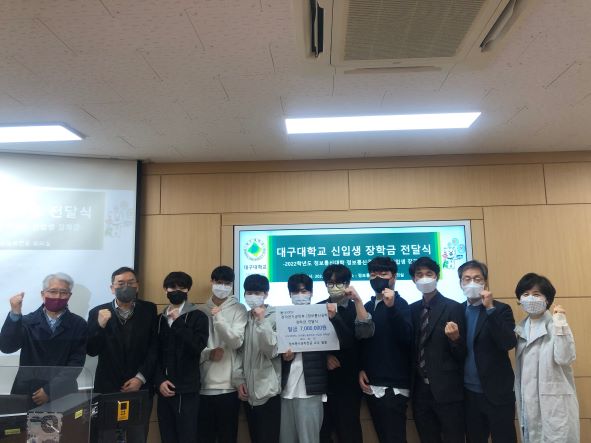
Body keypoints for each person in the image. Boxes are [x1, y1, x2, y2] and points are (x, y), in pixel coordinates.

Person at [87, 266, 158, 443]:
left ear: (137, 286)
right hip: (108, 387)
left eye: (130, 282)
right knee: (106, 436)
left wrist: (140, 378)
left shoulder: (149, 310)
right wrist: (100, 326)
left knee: (137, 436)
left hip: (140, 386)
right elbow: (91, 350)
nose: (126, 286)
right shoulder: (98, 312)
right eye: (120, 283)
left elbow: (154, 348)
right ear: (112, 288)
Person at [0, 272, 87, 408]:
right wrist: (15, 313)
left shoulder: (78, 324)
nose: (57, 296)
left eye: (63, 292)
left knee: (63, 422)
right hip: (28, 391)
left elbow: (76, 363)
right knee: (25, 422)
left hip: (62, 392)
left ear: (69, 296)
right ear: (43, 294)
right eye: (52, 291)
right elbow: (7, 347)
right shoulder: (27, 321)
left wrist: (49, 390)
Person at [514, 273, 579, 443]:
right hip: (529, 405)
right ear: (520, 299)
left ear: (547, 299)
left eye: (536, 294)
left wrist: (561, 323)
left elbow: (565, 358)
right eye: (525, 294)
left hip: (555, 406)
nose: (530, 298)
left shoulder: (557, 324)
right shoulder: (520, 329)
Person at [458, 260, 517, 443]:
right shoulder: (457, 311)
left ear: (485, 283)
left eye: (477, 279)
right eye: (467, 279)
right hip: (468, 393)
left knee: (504, 438)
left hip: (497, 392)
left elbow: (508, 343)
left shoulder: (501, 309)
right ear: (460, 283)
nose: (472, 283)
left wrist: (490, 309)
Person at [409, 256, 466, 443]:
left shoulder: (454, 307)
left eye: (429, 274)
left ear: (437, 277)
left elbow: (463, 354)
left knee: (454, 438)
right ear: (414, 280)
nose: (424, 278)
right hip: (420, 390)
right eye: (419, 275)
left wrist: (456, 339)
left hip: (447, 391)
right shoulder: (412, 310)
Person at [356, 257, 412, 443]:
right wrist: (361, 368)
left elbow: (406, 337)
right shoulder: (367, 306)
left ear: (393, 277)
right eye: (373, 274)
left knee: (394, 438)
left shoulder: (401, 304)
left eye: (383, 274)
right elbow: (363, 342)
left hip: (394, 386)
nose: (377, 278)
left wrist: (391, 308)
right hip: (371, 385)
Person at [154, 271, 209, 443]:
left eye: (181, 287)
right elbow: (154, 353)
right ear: (165, 289)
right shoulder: (159, 319)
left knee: (187, 436)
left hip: (187, 389)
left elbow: (197, 346)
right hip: (163, 389)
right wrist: (159, 380)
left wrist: (178, 322)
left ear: (188, 290)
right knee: (167, 436)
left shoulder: (198, 316)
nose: (176, 291)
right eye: (172, 287)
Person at [197, 265, 247, 443]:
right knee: (204, 437)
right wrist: (208, 354)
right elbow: (193, 348)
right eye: (219, 282)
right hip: (202, 386)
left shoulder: (239, 309)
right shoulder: (200, 311)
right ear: (212, 282)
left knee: (228, 436)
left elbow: (236, 342)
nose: (223, 287)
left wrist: (219, 318)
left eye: (227, 283)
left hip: (229, 387)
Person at [280, 273, 328, 443]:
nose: (300, 295)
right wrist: (284, 358)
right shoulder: (282, 317)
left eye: (304, 291)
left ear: (311, 293)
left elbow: (334, 344)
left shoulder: (322, 316)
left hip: (310, 390)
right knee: (286, 438)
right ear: (290, 294)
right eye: (296, 292)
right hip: (285, 389)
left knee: (309, 439)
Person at [318, 264, 363, 443]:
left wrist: (335, 317)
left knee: (349, 431)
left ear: (348, 284)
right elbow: (309, 344)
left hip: (349, 382)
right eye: (330, 283)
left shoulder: (357, 308)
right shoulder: (317, 308)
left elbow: (356, 342)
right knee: (322, 433)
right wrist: (324, 357)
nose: (334, 287)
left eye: (339, 283)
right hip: (323, 383)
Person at [236, 274, 281, 443]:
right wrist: (239, 380)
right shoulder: (244, 317)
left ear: (266, 294)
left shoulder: (276, 316)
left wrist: (262, 321)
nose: (253, 296)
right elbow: (238, 352)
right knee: (255, 437)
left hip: (269, 391)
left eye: (257, 293)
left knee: (268, 438)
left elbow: (272, 350)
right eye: (249, 292)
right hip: (248, 393)